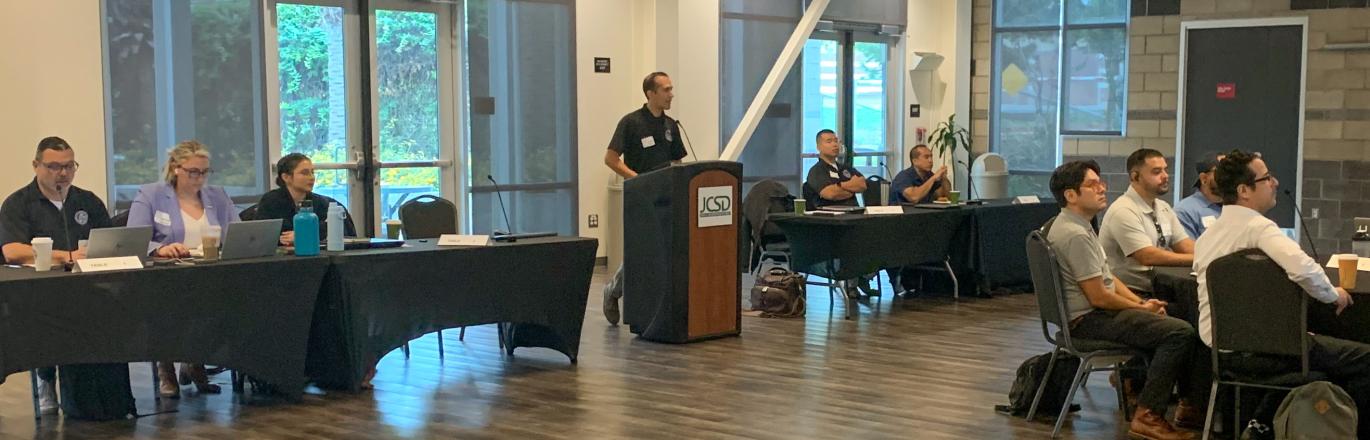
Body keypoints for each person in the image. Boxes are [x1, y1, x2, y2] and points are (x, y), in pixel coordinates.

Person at [1194, 150, 1370, 438]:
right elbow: (1303, 269)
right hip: (1270, 348)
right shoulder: (1259, 228)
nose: (1274, 182)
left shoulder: (1208, 237)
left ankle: (1260, 424)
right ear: (1244, 191)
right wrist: (1333, 295)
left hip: (1221, 351)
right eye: (1266, 178)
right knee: (1362, 359)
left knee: (1323, 368)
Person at [1045, 160, 1205, 440]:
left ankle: (1190, 402)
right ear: (1070, 195)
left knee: (1183, 315)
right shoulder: (1074, 234)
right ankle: (1148, 416)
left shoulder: (1080, 224)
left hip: (1093, 313)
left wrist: (1143, 305)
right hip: (1087, 320)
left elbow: (1108, 278)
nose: (1102, 188)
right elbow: (1099, 296)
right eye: (1093, 185)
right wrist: (1141, 307)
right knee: (1179, 332)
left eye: (1101, 182)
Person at [0, 136, 112, 413]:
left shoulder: (87, 201)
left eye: (69, 166)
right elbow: (13, 251)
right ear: (36, 166)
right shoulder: (18, 203)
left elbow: (109, 240)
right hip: (37, 291)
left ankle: (102, 390)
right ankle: (46, 376)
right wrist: (66, 256)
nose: (62, 173)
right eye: (53, 166)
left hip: (86, 287)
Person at [126, 140, 235, 397]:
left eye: (204, 172)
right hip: (167, 275)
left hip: (209, 271)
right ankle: (166, 369)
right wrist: (158, 248)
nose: (199, 178)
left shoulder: (217, 196)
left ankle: (195, 361)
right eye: (193, 172)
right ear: (176, 168)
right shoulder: (151, 194)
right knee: (171, 302)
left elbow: (237, 231)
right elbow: (133, 237)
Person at [601, 71, 689, 325]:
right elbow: (611, 159)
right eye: (666, 90)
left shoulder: (671, 125)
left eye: (672, 89)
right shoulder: (631, 122)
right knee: (641, 250)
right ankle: (614, 290)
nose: (671, 94)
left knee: (662, 250)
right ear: (651, 93)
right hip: (640, 197)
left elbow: (677, 161)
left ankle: (658, 303)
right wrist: (636, 179)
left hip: (667, 196)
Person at [1099, 148, 1194, 296]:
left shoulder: (1163, 208)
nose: (1165, 176)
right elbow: (1148, 256)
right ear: (1135, 177)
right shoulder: (1123, 210)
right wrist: (1198, 259)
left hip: (1161, 286)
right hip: (1131, 292)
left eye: (1165, 170)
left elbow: (1185, 244)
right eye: (1156, 172)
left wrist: (1208, 256)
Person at [255, 153, 356, 245]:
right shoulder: (271, 201)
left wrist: (304, 235)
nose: (311, 177)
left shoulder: (324, 203)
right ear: (286, 177)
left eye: (312, 172)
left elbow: (340, 230)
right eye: (304, 173)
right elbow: (267, 236)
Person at [803, 129, 866, 208]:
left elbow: (862, 184)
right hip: (830, 215)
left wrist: (839, 186)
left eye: (836, 141)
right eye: (829, 142)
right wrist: (851, 189)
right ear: (818, 147)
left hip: (854, 212)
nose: (835, 145)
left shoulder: (845, 167)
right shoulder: (816, 170)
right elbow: (830, 194)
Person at [1174, 154, 1224, 239]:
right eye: (1221, 172)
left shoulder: (1237, 206)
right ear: (1204, 178)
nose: (1230, 178)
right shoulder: (1184, 211)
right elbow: (1187, 250)